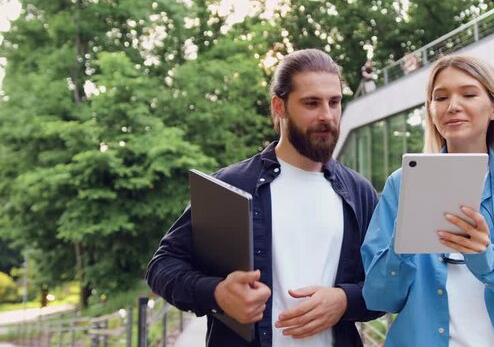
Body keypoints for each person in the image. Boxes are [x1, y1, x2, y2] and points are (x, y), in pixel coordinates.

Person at [146, 49, 382, 347]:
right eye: (311, 103)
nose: (327, 115)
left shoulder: (360, 192)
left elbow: (390, 284)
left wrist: (344, 301)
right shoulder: (231, 184)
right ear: (279, 106)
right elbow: (162, 266)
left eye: (334, 102)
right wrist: (217, 293)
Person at [361, 54, 494, 346]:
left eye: (469, 94)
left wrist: (488, 259)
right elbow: (378, 298)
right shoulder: (402, 184)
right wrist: (402, 247)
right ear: (431, 110)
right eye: (440, 97)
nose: (453, 106)